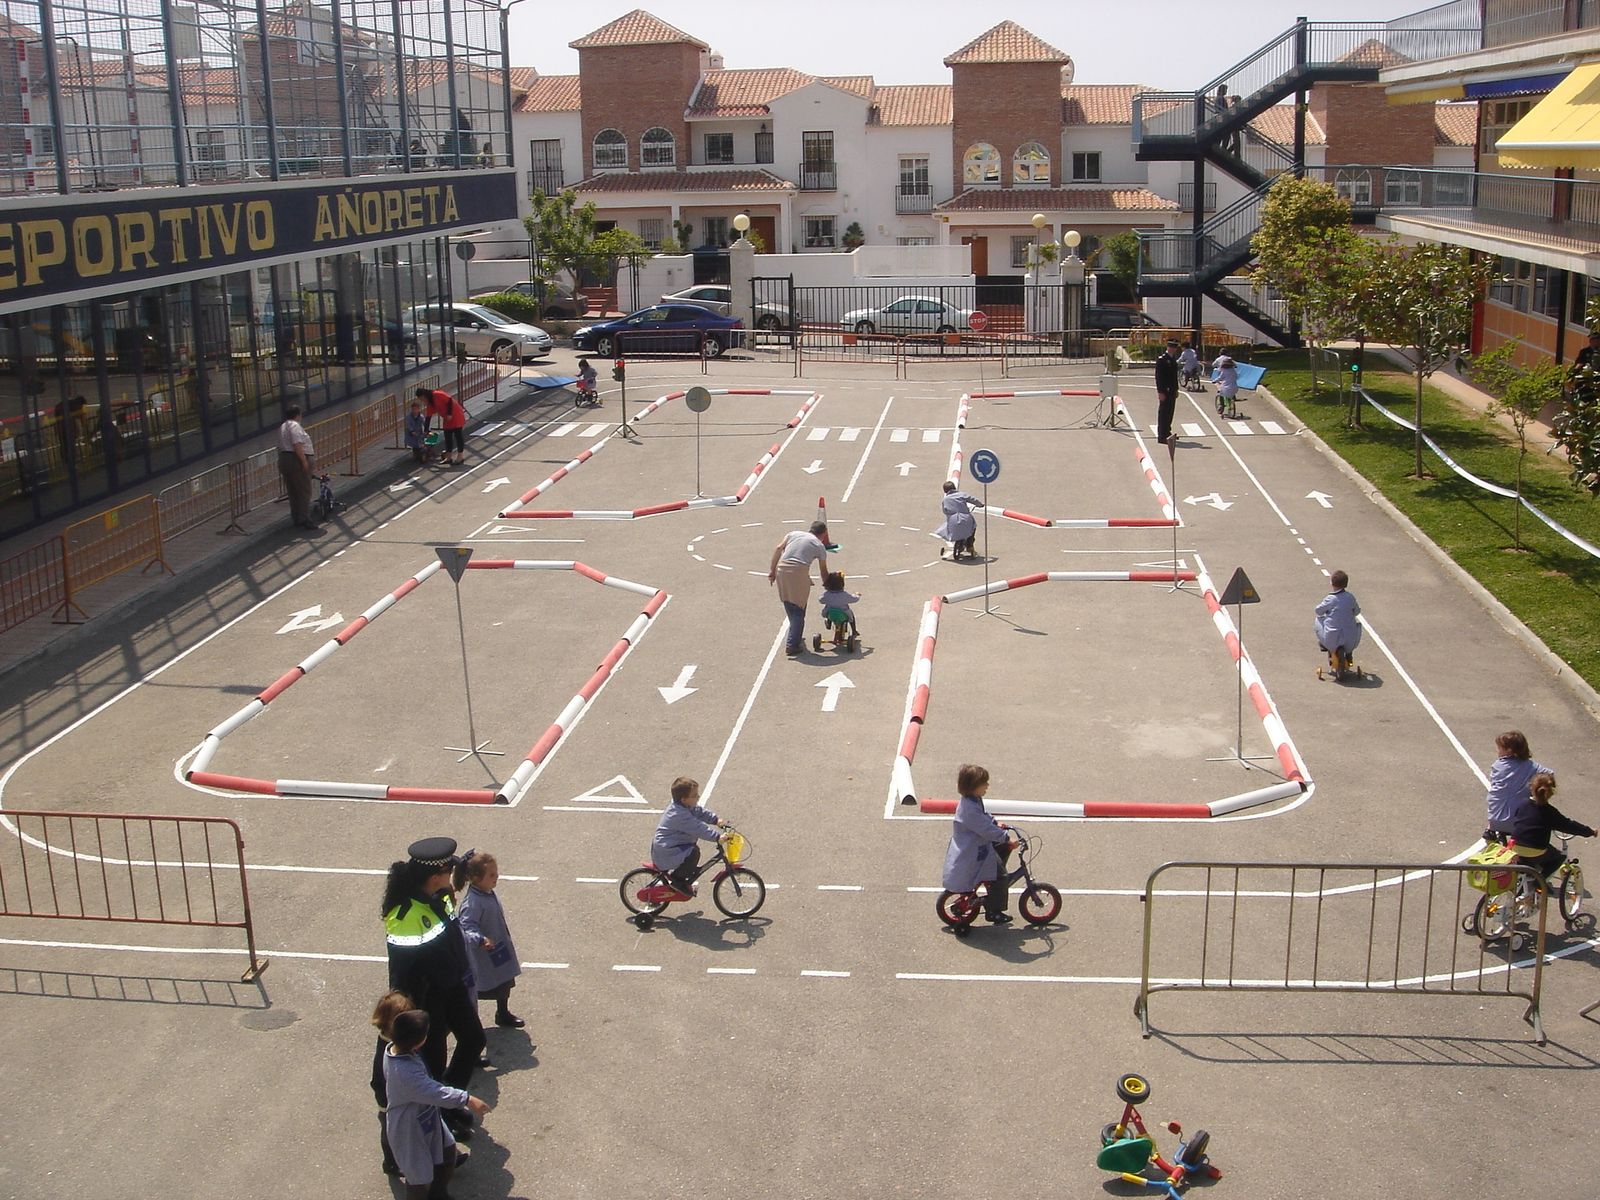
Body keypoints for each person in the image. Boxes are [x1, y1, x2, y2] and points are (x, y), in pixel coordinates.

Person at [382, 837, 486, 1143]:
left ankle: (450, 1101)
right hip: (426, 998)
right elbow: (402, 971)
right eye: (447, 868)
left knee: (473, 1039)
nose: (451, 872)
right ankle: (441, 1114)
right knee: (434, 1061)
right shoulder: (403, 916)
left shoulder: (440, 895)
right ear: (434, 875)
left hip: (451, 985)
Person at [383, 1008, 490, 1200]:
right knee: (418, 1179)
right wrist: (467, 1099)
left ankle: (439, 1194)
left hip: (426, 1117)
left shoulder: (395, 1048)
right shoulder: (405, 1073)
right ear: (417, 1041)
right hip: (409, 1128)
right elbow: (434, 1092)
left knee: (448, 1154)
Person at [453, 850, 527, 1038]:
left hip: (498, 947)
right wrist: (480, 939)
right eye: (491, 875)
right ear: (477, 878)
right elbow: (466, 926)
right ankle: (472, 1024)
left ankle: (502, 1013)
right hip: (484, 954)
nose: (496, 877)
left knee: (505, 981)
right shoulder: (473, 902)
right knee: (480, 988)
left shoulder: (487, 892)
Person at [942, 763, 1016, 923]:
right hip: (975, 851)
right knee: (1002, 877)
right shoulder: (970, 809)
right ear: (974, 786)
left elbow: (984, 818)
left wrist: (995, 822)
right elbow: (984, 829)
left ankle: (991, 882)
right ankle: (994, 912)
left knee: (1000, 856)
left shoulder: (972, 800)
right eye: (984, 783)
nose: (987, 786)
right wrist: (1006, 838)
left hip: (977, 845)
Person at [1501, 773, 1593, 879]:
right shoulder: (1550, 812)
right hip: (1536, 850)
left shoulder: (1522, 804)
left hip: (1515, 846)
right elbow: (1568, 825)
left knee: (1529, 862)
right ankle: (1540, 884)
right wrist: (1590, 832)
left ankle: (1527, 888)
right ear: (1551, 792)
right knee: (1558, 858)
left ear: (1531, 787)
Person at [651, 777, 725, 899]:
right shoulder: (679, 814)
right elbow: (698, 828)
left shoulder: (686, 806)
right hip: (667, 850)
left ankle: (680, 878)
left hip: (673, 845)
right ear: (684, 799)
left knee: (693, 851)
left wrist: (715, 820)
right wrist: (717, 837)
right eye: (695, 795)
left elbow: (700, 812)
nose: (698, 796)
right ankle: (677, 881)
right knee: (693, 853)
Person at [768, 521, 830, 657]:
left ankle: (794, 634)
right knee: (799, 609)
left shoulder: (793, 534)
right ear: (823, 534)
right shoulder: (819, 545)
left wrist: (772, 570)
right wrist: (829, 587)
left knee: (788, 601)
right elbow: (823, 572)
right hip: (798, 572)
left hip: (781, 569)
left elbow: (779, 548)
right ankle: (792, 644)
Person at [369, 989, 414, 1178]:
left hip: (400, 1098)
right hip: (388, 1101)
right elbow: (377, 1081)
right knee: (390, 1132)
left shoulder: (398, 1041)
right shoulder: (386, 1050)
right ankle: (390, 1162)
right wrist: (387, 1103)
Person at [1484, 731, 1553, 842]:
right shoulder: (1532, 767)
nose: (1498, 751)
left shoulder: (1498, 765)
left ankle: (1492, 832)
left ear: (1509, 751)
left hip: (1495, 819)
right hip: (1518, 821)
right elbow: (1549, 774)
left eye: (1500, 748)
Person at [277, 403, 318, 530]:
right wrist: (304, 461)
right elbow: (297, 444)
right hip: (295, 459)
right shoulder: (294, 426)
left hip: (284, 459)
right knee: (304, 490)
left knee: (293, 491)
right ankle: (305, 518)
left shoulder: (283, 426)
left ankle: (297, 517)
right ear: (298, 415)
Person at [1313, 570, 1361, 663]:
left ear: (1331, 583)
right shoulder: (1350, 597)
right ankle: (1349, 654)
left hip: (1331, 640)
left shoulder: (1330, 599)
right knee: (1357, 624)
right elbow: (1357, 611)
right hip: (1350, 641)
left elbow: (1318, 611)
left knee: (1318, 620)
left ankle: (1323, 644)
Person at [420, 384, 467, 467]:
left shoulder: (437, 394)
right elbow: (428, 417)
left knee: (458, 435)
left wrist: (449, 413)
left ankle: (460, 456)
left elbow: (449, 401)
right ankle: (448, 457)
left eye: (422, 399)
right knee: (447, 435)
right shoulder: (430, 403)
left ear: (424, 396)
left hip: (455, 414)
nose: (422, 401)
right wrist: (426, 430)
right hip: (446, 418)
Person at [936, 480, 981, 560]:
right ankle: (969, 545)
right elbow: (973, 499)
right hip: (965, 517)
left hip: (953, 519)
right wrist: (980, 504)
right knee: (973, 527)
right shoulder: (961, 495)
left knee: (947, 527)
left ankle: (956, 542)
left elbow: (944, 511)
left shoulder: (945, 500)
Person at [817, 570, 861, 645]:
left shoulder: (827, 594)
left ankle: (829, 623)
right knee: (851, 617)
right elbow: (854, 599)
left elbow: (821, 600)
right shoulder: (844, 595)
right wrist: (858, 595)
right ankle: (854, 630)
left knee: (828, 611)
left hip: (830, 613)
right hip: (843, 613)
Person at [1154, 339, 1180, 444]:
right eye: (1172, 347)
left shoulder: (1173, 359)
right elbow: (1159, 377)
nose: (1173, 349)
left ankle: (1167, 432)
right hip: (1165, 390)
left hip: (1172, 390)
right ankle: (1162, 436)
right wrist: (1160, 391)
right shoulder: (1162, 360)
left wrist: (1176, 389)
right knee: (1164, 413)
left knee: (1170, 412)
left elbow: (1174, 376)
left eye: (1175, 347)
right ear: (1168, 347)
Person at [1212, 352, 1240, 418]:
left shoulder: (1224, 370)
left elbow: (1220, 378)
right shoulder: (1233, 370)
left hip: (1226, 387)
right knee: (1230, 395)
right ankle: (1231, 404)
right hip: (1235, 387)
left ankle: (1221, 406)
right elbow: (1236, 377)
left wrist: (1214, 381)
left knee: (1221, 393)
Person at [404, 399, 428, 464]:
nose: (414, 411)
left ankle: (421, 455)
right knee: (415, 445)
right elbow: (409, 425)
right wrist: (412, 431)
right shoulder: (409, 417)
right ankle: (415, 455)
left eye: (416, 409)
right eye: (413, 409)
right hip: (411, 434)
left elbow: (424, 423)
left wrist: (427, 430)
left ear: (418, 409)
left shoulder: (421, 416)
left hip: (419, 432)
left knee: (420, 443)